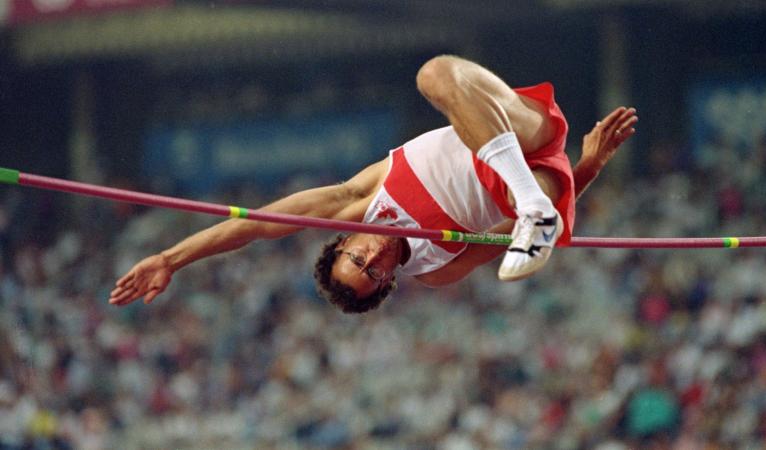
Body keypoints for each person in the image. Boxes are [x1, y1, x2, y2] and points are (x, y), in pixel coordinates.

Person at [109, 55, 637, 313]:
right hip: (534, 181)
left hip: (514, 130)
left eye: (356, 258)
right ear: (387, 284)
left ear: (344, 240)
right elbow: (520, 233)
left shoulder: (360, 199)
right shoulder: (434, 271)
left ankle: (529, 199)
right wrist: (588, 167)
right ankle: (530, 198)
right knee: (532, 215)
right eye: (373, 274)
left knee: (434, 74)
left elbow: (257, 225)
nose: (373, 260)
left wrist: (170, 259)